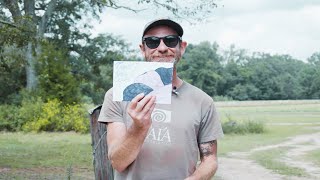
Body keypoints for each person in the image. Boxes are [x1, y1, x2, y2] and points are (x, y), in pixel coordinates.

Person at [98, 18, 224, 180]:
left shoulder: (203, 101)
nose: (162, 48)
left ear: (182, 47)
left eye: (171, 41)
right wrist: (138, 127)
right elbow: (118, 162)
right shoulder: (117, 95)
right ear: (142, 49)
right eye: (152, 42)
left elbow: (210, 159)